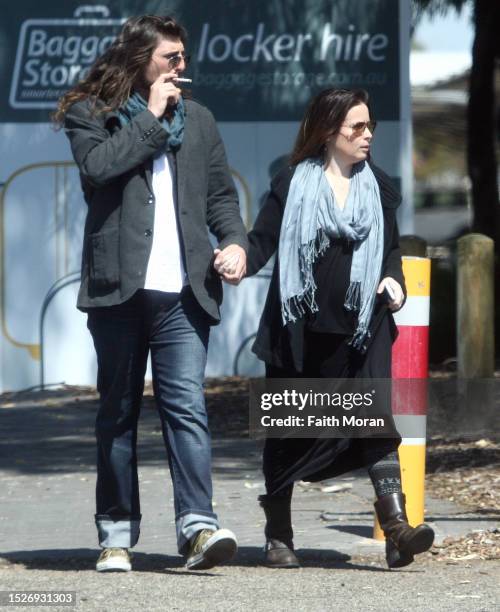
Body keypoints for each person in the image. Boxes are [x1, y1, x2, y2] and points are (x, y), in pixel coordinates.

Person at [54, 15, 247, 572]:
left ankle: (198, 528)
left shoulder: (202, 121)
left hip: (184, 292)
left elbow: (219, 197)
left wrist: (233, 242)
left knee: (186, 409)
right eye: (171, 57)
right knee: (116, 412)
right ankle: (116, 534)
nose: (180, 67)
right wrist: (154, 118)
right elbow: (100, 169)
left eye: (183, 58)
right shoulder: (90, 113)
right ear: (140, 59)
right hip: (120, 290)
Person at [217, 88, 434, 569]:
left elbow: (391, 251)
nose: (368, 134)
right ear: (328, 129)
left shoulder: (379, 186)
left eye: (370, 125)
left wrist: (393, 281)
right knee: (288, 431)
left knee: (374, 421)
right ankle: (278, 535)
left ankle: (397, 529)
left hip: (362, 330)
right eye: (357, 126)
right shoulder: (291, 182)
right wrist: (237, 260)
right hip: (300, 331)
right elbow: (261, 243)